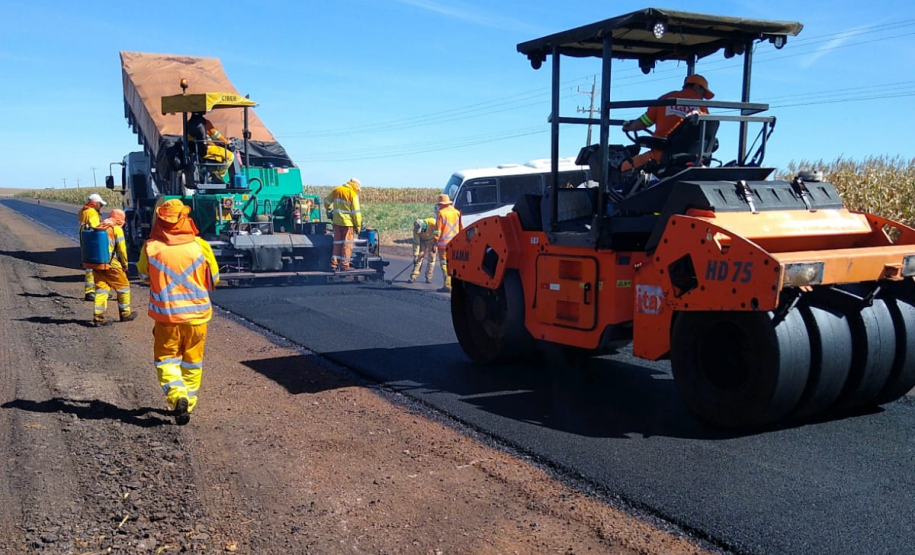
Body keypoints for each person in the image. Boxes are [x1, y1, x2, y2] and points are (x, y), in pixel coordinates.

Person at [136, 199, 220, 426]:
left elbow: (143, 275)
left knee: (166, 360)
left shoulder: (151, 247)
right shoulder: (200, 245)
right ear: (184, 218)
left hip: (167, 318)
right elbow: (215, 278)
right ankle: (188, 404)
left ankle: (177, 395)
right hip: (198, 318)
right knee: (192, 362)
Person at [620, 74, 714, 171]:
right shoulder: (703, 108)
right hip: (694, 159)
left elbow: (643, 122)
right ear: (696, 87)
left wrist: (629, 126)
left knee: (623, 167)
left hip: (662, 157)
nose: (702, 97)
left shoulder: (665, 99)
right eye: (703, 93)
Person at [89, 209, 136, 326]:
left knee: (101, 290)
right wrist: (125, 265)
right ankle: (125, 314)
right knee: (124, 287)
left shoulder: (99, 226)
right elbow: (122, 250)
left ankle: (98, 318)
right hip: (111, 264)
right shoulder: (116, 229)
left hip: (97, 264)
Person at [323, 178, 362, 271]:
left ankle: (334, 264)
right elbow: (356, 214)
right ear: (355, 186)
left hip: (336, 222)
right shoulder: (352, 195)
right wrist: (358, 227)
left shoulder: (337, 190)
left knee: (337, 243)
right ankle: (344, 265)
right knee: (347, 244)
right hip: (348, 224)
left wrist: (330, 209)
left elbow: (326, 202)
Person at [187, 112, 237, 182]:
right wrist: (227, 142)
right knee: (230, 156)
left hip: (195, 151)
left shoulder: (188, 123)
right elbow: (216, 136)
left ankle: (212, 174)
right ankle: (218, 175)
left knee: (218, 157)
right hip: (208, 149)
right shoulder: (206, 123)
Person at [78, 193, 107, 301]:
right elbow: (96, 228)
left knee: (90, 266)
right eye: (100, 204)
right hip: (94, 242)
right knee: (95, 267)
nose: (101, 206)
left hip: (85, 240)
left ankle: (93, 291)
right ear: (95, 204)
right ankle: (94, 292)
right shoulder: (92, 213)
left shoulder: (83, 211)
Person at [433, 194, 462, 293]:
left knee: (444, 264)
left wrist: (434, 243)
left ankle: (447, 284)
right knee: (454, 263)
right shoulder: (457, 212)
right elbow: (461, 228)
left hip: (443, 245)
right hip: (456, 243)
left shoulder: (441, 213)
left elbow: (437, 231)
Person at [409, 217, 437, 284]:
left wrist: (435, 244)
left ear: (424, 226)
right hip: (423, 241)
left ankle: (428, 277)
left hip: (432, 241)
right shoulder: (416, 230)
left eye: (421, 230)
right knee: (419, 258)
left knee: (431, 259)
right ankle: (414, 276)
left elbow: (438, 233)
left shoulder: (433, 223)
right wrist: (415, 255)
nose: (420, 232)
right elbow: (416, 243)